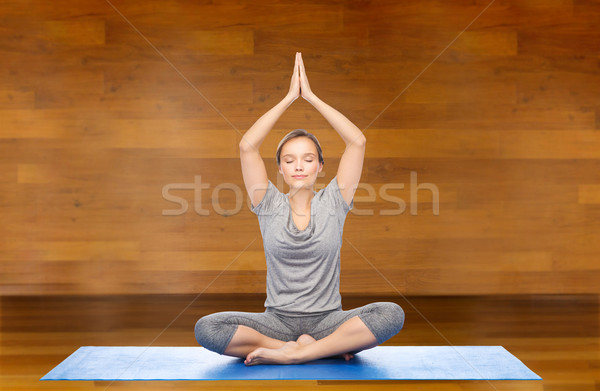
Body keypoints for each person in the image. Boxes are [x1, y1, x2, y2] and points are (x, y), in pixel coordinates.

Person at [195, 52, 404, 366]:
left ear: (320, 166)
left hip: (328, 321)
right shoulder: (267, 203)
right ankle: (311, 348)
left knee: (391, 314)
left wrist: (312, 97)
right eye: (289, 160)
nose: (299, 166)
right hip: (277, 322)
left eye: (308, 159)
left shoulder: (334, 201)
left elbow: (357, 142)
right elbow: (247, 146)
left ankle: (300, 352)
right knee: (207, 328)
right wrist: (290, 98)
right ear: (279, 169)